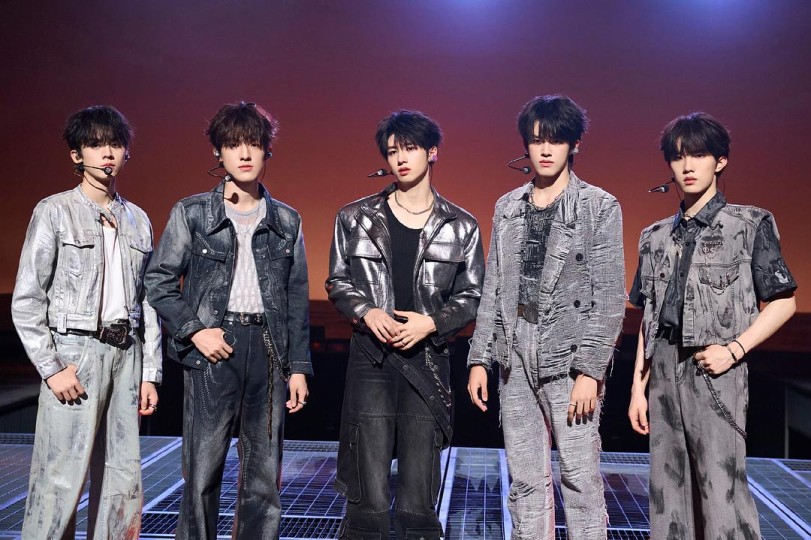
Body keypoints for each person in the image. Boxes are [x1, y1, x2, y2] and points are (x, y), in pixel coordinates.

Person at [144, 101, 311, 539]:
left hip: (269, 351)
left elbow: (296, 299)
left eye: (253, 143)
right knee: (202, 471)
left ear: (267, 150)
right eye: (234, 144)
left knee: (264, 476)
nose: (244, 153)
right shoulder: (193, 212)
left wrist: (298, 368)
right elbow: (158, 281)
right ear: (218, 152)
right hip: (213, 350)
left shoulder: (287, 220)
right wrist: (195, 331)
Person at [628, 112, 797, 538]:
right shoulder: (653, 236)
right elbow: (649, 317)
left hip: (715, 368)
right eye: (678, 157)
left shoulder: (749, 224)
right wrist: (637, 388)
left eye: (699, 155)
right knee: (667, 491)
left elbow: (784, 302)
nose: (687, 166)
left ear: (720, 161)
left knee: (721, 490)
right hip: (663, 370)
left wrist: (734, 350)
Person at [467, 95, 626, 539]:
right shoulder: (507, 207)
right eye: (537, 141)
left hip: (570, 358)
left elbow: (609, 298)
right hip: (514, 357)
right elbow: (494, 287)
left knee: (579, 479)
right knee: (525, 482)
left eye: (555, 140)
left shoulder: (598, 206)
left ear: (574, 144)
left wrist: (590, 371)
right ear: (526, 145)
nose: (545, 149)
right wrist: (479, 358)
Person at [326, 110, 484, 539]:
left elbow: (472, 296)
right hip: (371, 358)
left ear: (432, 152)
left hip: (427, 360)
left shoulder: (461, 225)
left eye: (410, 149)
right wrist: (367, 311)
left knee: (418, 498)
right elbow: (338, 281)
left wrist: (431, 324)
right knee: (367, 496)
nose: (400, 158)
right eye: (392, 151)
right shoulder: (355, 217)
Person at [12, 105, 161, 539]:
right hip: (74, 356)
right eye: (95, 145)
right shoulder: (54, 211)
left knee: (122, 482)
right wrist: (52, 367)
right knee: (59, 481)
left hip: (127, 356)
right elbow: (27, 298)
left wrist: (150, 373)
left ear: (127, 153)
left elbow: (148, 302)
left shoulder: (138, 219)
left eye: (115, 144)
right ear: (77, 155)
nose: (107, 154)